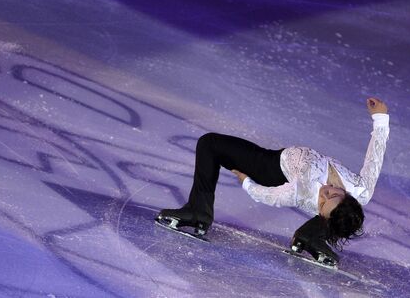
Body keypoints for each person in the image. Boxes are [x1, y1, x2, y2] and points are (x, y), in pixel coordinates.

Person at [157, 97, 390, 251]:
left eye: (321, 203)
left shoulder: (303, 192)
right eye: (331, 195)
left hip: (269, 167)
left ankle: (198, 212)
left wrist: (246, 182)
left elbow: (268, 196)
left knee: (209, 144)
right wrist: (380, 117)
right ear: (347, 196)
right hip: (292, 164)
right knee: (336, 217)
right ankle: (310, 236)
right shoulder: (361, 190)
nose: (323, 193)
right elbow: (375, 157)